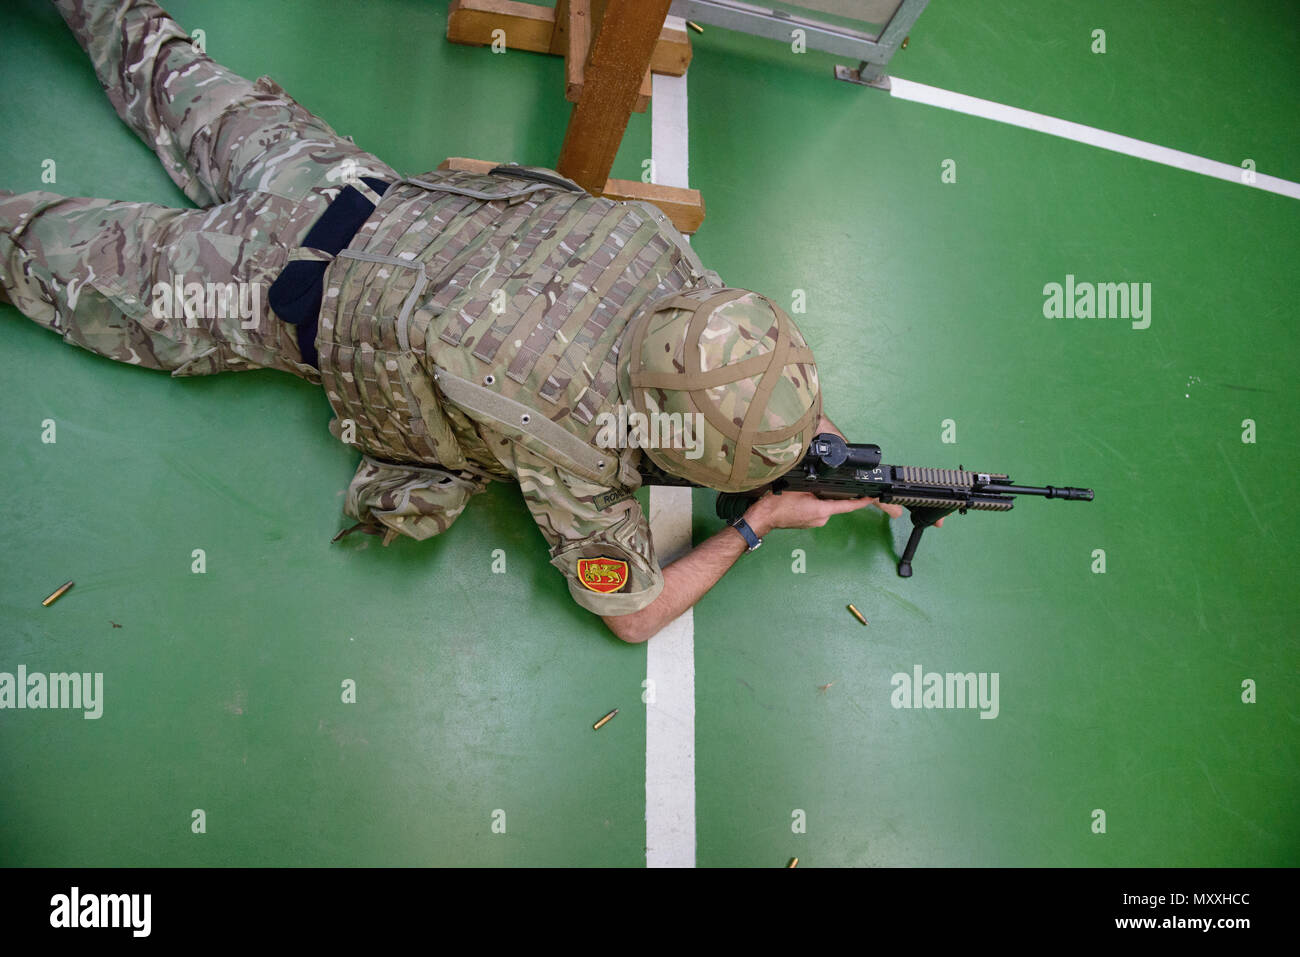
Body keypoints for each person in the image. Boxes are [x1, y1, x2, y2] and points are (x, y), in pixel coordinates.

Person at [0, 0, 907, 643]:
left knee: (161, 59)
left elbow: (740, 360)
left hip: (341, 181)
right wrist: (758, 524)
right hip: (262, 287)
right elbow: (632, 615)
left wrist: (804, 434)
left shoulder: (659, 252)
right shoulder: (580, 444)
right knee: (38, 251)